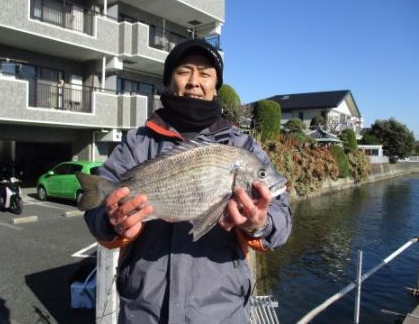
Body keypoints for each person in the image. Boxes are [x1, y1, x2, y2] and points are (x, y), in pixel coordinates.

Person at [84, 39, 292, 324]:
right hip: (144, 313)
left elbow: (282, 217)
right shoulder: (137, 142)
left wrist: (260, 224)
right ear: (170, 81)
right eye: (184, 71)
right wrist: (111, 222)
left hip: (222, 314)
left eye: (205, 74)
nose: (195, 81)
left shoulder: (242, 146)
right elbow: (96, 207)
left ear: (216, 86)